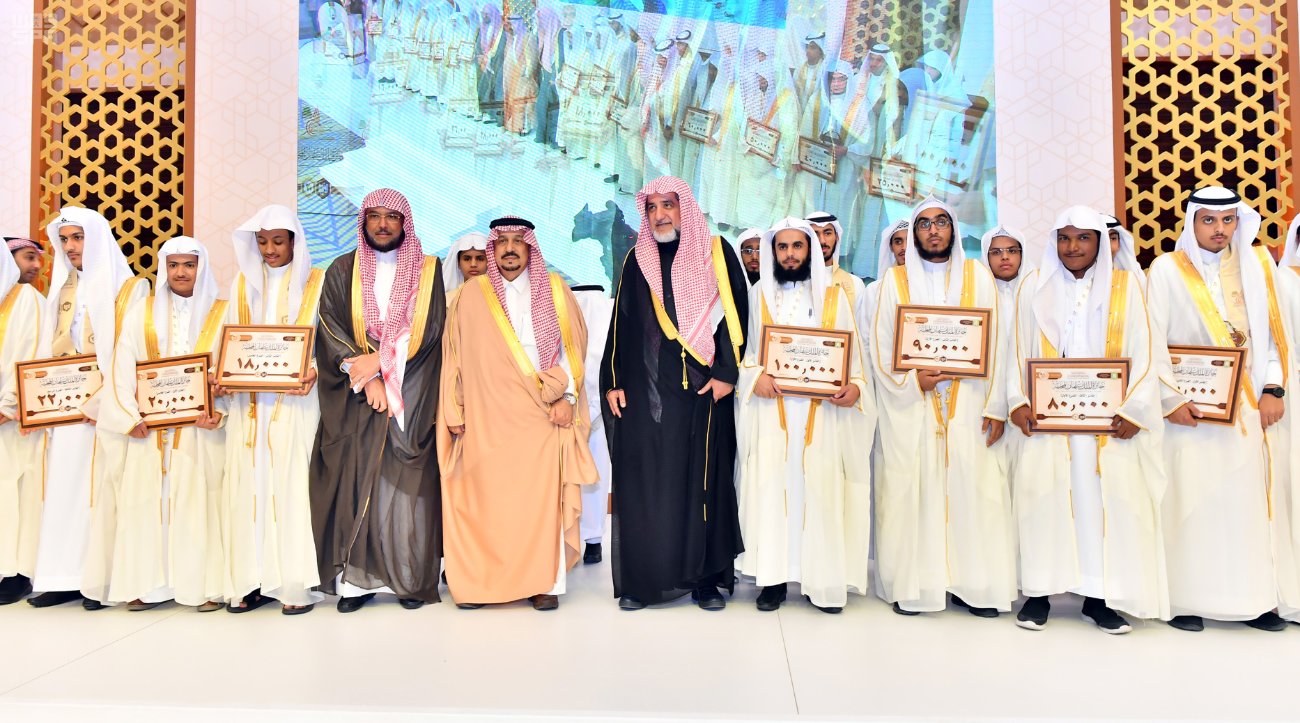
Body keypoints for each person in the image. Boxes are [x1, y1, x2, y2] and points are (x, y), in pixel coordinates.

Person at [1006, 207, 1169, 633]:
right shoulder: (1033, 287)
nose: (1072, 247)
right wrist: (1017, 400)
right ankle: (1038, 594)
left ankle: (1098, 598)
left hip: (1107, 426)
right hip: (1047, 423)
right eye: (1064, 238)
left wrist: (1135, 409)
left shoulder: (1127, 287)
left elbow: (1147, 351)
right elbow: (1015, 349)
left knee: (1103, 506)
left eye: (1083, 238)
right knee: (1044, 501)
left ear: (1099, 242)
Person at [1147, 186, 1297, 632]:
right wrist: (1170, 399)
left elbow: (1275, 337)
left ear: (1238, 223)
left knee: (1246, 507)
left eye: (1227, 220)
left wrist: (1273, 388)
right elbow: (1152, 339)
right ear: (1192, 222)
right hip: (1188, 414)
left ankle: (1253, 602)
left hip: (1246, 408)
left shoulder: (1258, 265)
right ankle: (1187, 601)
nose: (1219, 229)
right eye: (1208, 220)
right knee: (1191, 503)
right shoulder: (1166, 269)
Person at [600, 176, 748, 611]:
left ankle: (705, 580)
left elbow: (735, 316)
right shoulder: (637, 259)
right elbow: (622, 322)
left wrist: (727, 374)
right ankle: (644, 581)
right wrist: (614, 381)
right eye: (652, 207)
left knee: (702, 485)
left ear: (686, 207)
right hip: (649, 393)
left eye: (668, 205)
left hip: (705, 391)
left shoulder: (716, 252)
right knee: (648, 483)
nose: (660, 215)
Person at [438, 217, 596, 610]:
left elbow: (573, 351)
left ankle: (543, 583)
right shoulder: (469, 295)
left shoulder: (556, 290)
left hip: (541, 417)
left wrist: (568, 398)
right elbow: (453, 358)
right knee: (487, 503)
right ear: (492, 248)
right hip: (485, 418)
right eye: (502, 241)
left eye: (517, 241)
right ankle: (482, 584)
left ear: (530, 248)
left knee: (539, 506)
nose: (509, 249)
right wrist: (454, 410)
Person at [870, 197, 1016, 617]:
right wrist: (911, 382)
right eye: (924, 224)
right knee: (913, 494)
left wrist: (997, 407)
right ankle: (916, 587)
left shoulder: (978, 276)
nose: (933, 231)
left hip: (970, 405)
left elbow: (999, 342)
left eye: (941, 223)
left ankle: (975, 587)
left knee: (975, 493)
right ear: (915, 233)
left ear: (953, 230)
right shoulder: (895, 281)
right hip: (914, 410)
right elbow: (881, 347)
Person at [312, 188, 446, 612]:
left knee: (407, 487)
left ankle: (408, 580)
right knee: (357, 480)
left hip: (412, 390)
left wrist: (382, 366)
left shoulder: (429, 270)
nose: (383, 224)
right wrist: (366, 376)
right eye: (375, 216)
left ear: (405, 223)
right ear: (364, 221)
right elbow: (329, 326)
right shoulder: (341, 269)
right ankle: (356, 586)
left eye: (392, 217)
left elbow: (431, 330)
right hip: (357, 394)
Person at [735, 217, 872, 613]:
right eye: (782, 247)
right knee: (772, 489)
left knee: (819, 490)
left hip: (821, 416)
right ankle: (773, 579)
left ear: (810, 250)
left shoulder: (834, 296)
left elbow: (854, 360)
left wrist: (854, 388)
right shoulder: (759, 294)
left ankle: (821, 581)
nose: (790, 254)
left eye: (798, 246)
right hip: (772, 412)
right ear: (773, 252)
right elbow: (748, 355)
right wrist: (756, 377)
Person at [28, 207, 149, 609]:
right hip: (63, 410)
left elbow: (130, 355)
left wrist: (101, 401)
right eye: (64, 240)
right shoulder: (60, 288)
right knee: (63, 490)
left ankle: (99, 579)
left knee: (102, 492)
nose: (70, 247)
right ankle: (61, 576)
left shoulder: (129, 289)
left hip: (106, 407)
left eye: (77, 238)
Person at [102, 237, 227, 612]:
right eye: (173, 265)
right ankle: (147, 586)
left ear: (201, 268)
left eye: (189, 264)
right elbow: (122, 366)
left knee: (198, 504)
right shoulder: (142, 311)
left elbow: (229, 372)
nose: (181, 272)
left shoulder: (222, 313)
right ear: (164, 269)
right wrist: (128, 417)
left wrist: (219, 412)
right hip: (149, 429)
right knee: (145, 504)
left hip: (199, 430)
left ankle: (201, 587)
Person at [221, 205, 326, 615]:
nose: (269, 249)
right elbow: (227, 341)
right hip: (249, 407)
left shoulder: (317, 283)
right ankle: (251, 581)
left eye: (278, 241)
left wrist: (314, 369)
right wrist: (219, 376)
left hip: (296, 405)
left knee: (291, 488)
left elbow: (329, 342)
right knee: (249, 488)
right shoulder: (242, 285)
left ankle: (292, 585)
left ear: (295, 242)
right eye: (262, 242)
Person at [0, 239, 47, 604]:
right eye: (27, 258)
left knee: (15, 494)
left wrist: (9, 403)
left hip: (11, 417)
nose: (36, 266)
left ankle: (16, 573)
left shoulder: (27, 299)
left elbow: (28, 355)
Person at [571, 282, 614, 564]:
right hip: (563, 409)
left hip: (599, 412)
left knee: (596, 475)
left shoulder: (607, 313)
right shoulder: (558, 308)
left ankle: (593, 539)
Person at [807, 212, 868, 337]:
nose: (822, 240)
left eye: (827, 233)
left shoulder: (855, 284)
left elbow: (860, 335)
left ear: (837, 238)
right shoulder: (794, 281)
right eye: (815, 234)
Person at [442, 231, 489, 296]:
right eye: (467, 259)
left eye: (480, 259)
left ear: (489, 262)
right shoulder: (448, 299)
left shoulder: (499, 297)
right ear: (458, 263)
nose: (473, 264)